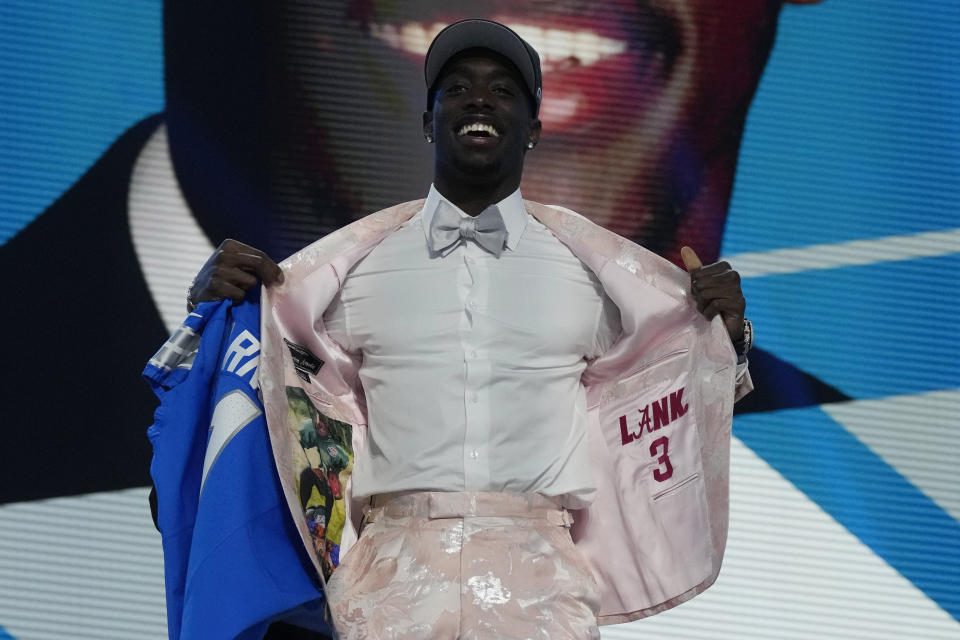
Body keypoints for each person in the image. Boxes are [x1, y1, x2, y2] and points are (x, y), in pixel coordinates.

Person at [188, 19, 752, 638]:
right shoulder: (351, 269)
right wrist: (210, 315)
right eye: (456, 88)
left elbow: (665, 380)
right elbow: (268, 379)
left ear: (533, 129)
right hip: (389, 585)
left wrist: (722, 337)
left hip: (541, 586)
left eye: (504, 91)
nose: (480, 100)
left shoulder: (591, 273)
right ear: (430, 120)